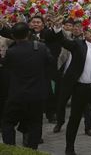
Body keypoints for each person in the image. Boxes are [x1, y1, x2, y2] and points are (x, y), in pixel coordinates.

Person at [51, 20, 91, 155]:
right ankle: (69, 148)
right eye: (89, 32)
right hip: (80, 89)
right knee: (75, 118)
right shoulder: (77, 45)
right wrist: (57, 27)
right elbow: (62, 40)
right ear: (84, 34)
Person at [1, 22, 55, 150]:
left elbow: (6, 66)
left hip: (17, 95)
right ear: (29, 33)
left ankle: (10, 149)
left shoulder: (12, 52)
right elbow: (51, 62)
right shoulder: (41, 48)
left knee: (8, 123)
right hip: (37, 95)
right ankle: (32, 150)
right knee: (36, 124)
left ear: (13, 36)